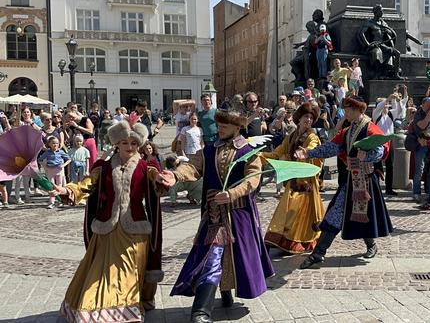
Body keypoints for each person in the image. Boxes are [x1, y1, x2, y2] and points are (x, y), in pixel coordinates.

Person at [159, 110, 274, 323]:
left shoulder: (248, 151)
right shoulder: (209, 150)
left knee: (237, 258)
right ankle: (201, 311)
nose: (219, 129)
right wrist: (175, 175)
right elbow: (193, 167)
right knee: (211, 256)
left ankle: (226, 292)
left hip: (239, 215)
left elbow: (253, 179)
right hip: (213, 216)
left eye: (224, 126)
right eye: (218, 125)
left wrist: (232, 193)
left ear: (237, 128)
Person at [52, 120, 164, 322]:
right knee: (100, 274)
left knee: (128, 273)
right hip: (106, 231)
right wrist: (67, 190)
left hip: (135, 232)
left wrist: (164, 179)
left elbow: (158, 181)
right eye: (124, 143)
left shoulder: (146, 167)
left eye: (133, 143)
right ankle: (96, 308)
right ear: (116, 145)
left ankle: (126, 309)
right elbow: (86, 185)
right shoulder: (102, 168)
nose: (129, 147)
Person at [296, 96, 393, 269]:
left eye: (348, 110)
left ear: (358, 110)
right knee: (338, 213)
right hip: (350, 180)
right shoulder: (349, 130)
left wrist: (368, 155)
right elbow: (332, 147)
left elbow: (380, 149)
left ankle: (370, 245)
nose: (345, 112)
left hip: (366, 182)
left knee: (363, 216)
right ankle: (319, 253)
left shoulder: (370, 128)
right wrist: (309, 153)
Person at [261, 103, 325, 253]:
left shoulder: (312, 136)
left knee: (295, 212)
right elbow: (277, 153)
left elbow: (313, 149)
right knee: (287, 210)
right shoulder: (291, 136)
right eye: (305, 117)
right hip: (292, 180)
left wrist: (306, 153)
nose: (308, 120)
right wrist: (260, 155)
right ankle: (283, 240)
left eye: (311, 117)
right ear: (299, 118)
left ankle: (296, 242)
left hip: (306, 182)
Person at [410, 97, 430, 200]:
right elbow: (422, 126)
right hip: (421, 145)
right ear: (422, 105)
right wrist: (429, 113)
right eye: (428, 105)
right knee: (419, 170)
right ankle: (416, 192)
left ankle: (429, 191)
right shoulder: (418, 114)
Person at [372, 96, 397, 196]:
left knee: (390, 165)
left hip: (389, 141)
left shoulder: (391, 114)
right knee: (377, 166)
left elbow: (399, 110)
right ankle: (376, 187)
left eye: (387, 105)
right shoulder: (376, 114)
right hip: (378, 141)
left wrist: (397, 100)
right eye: (384, 104)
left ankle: (389, 188)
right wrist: (387, 99)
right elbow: (379, 108)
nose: (386, 106)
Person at [39, 136, 70, 209]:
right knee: (52, 186)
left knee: (59, 187)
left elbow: (69, 159)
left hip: (59, 171)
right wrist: (45, 166)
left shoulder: (61, 152)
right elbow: (40, 160)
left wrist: (63, 165)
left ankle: (61, 201)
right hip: (50, 171)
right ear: (49, 144)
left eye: (57, 143)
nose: (55, 145)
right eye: (53, 143)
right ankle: (52, 202)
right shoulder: (47, 152)